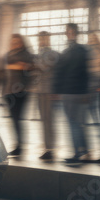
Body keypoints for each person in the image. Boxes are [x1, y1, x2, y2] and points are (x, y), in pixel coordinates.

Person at [53, 23, 92, 164]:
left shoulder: (69, 52)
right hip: (72, 92)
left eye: (70, 32)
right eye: (68, 32)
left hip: (73, 92)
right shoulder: (80, 51)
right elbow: (61, 73)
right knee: (78, 123)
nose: (69, 34)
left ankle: (78, 152)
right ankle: (84, 151)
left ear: (74, 33)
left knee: (74, 123)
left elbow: (85, 73)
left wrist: (57, 91)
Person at [2, 34, 34, 157]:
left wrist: (17, 66)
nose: (15, 44)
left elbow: (29, 68)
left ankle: (20, 146)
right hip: (8, 91)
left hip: (20, 92)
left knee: (18, 119)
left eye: (17, 42)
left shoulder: (26, 54)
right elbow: (3, 72)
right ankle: (17, 144)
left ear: (22, 43)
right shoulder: (8, 54)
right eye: (13, 42)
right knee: (13, 120)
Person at [35, 31, 60, 161]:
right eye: (40, 39)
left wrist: (32, 64)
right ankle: (47, 148)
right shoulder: (39, 54)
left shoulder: (52, 54)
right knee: (44, 121)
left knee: (49, 121)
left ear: (49, 40)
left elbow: (43, 67)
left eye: (44, 39)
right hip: (40, 91)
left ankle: (51, 149)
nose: (42, 42)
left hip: (49, 91)